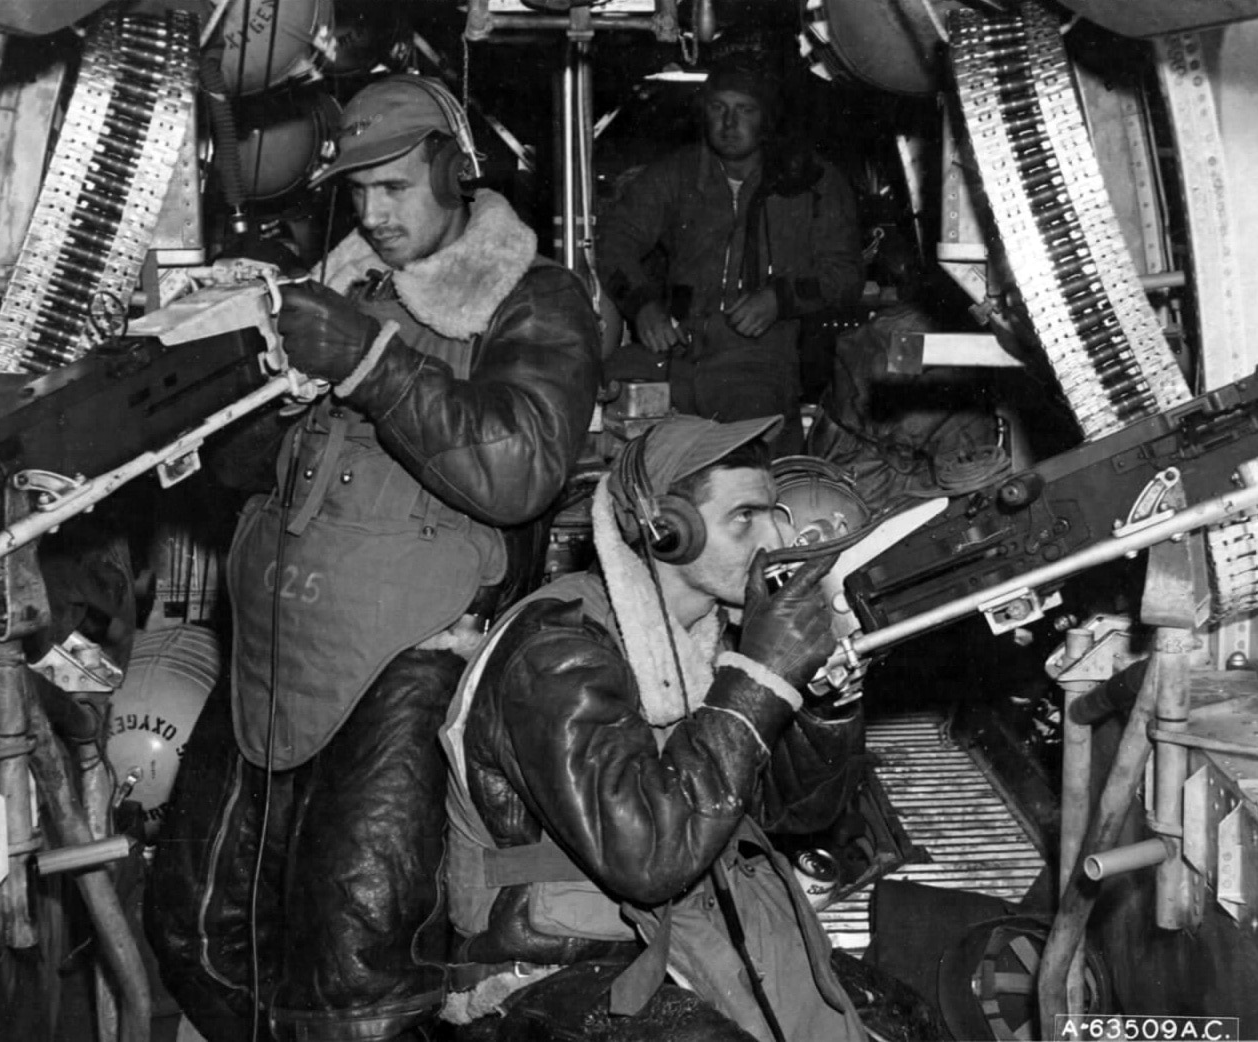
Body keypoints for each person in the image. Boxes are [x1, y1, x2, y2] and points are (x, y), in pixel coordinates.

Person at [147, 74, 601, 1042]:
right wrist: (223, 382)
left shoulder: (535, 297)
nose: (374, 213)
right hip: (274, 643)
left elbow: (518, 470)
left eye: (394, 186)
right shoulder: (338, 286)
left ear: (454, 166)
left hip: (405, 658)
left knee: (357, 960)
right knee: (196, 926)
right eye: (356, 193)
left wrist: (368, 361)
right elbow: (251, 468)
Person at [438, 414, 868, 1042]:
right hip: (546, 966)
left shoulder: (704, 639)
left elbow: (787, 816)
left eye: (774, 513)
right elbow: (648, 858)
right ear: (666, 531)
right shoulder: (557, 650)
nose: (773, 539)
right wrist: (758, 681)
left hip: (679, 932)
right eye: (743, 518)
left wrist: (823, 709)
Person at [597, 59, 864, 456]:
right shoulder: (677, 174)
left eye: (745, 110)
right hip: (675, 351)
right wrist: (642, 306)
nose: (729, 123)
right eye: (718, 108)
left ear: (766, 118)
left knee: (742, 464)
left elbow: (845, 273)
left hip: (759, 359)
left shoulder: (811, 181)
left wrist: (779, 299)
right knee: (599, 406)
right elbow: (613, 242)